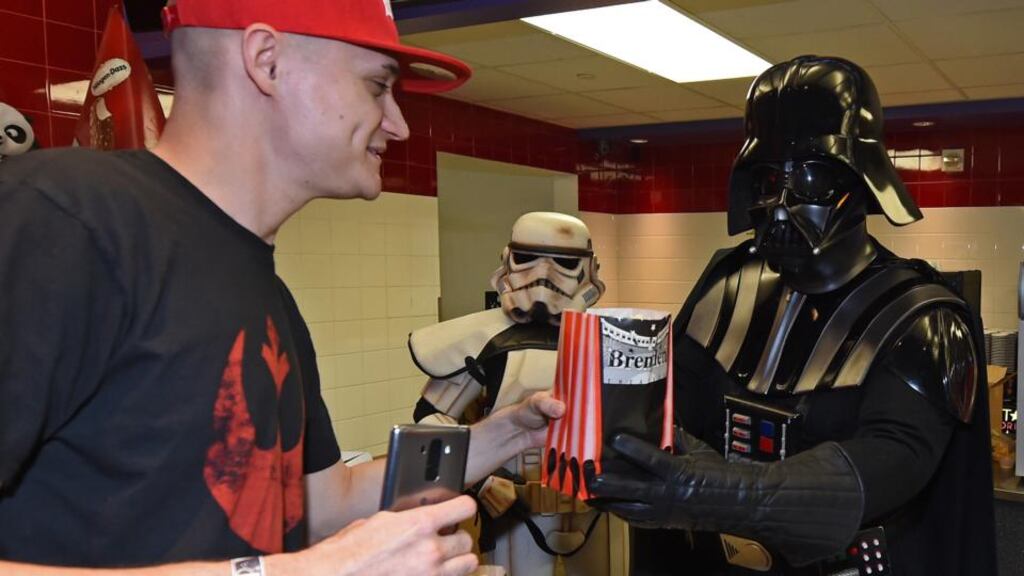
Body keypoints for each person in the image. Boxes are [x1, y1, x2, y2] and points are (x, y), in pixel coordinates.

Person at [0, 1, 564, 575]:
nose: (398, 124)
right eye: (376, 87)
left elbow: (323, 504)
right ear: (266, 62)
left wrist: (499, 438)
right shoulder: (59, 222)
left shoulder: (263, 289)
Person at [586, 55, 997, 575]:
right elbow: (673, 416)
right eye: (766, 180)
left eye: (809, 177)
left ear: (862, 179)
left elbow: (886, 468)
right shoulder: (724, 287)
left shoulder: (923, 321)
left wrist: (708, 490)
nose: (780, 204)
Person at [410, 211, 612, 575]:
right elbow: (431, 418)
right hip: (515, 505)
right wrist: (480, 481)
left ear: (589, 269)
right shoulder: (487, 341)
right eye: (528, 259)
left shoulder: (607, 338)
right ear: (507, 260)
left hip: (596, 504)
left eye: (563, 263)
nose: (543, 275)